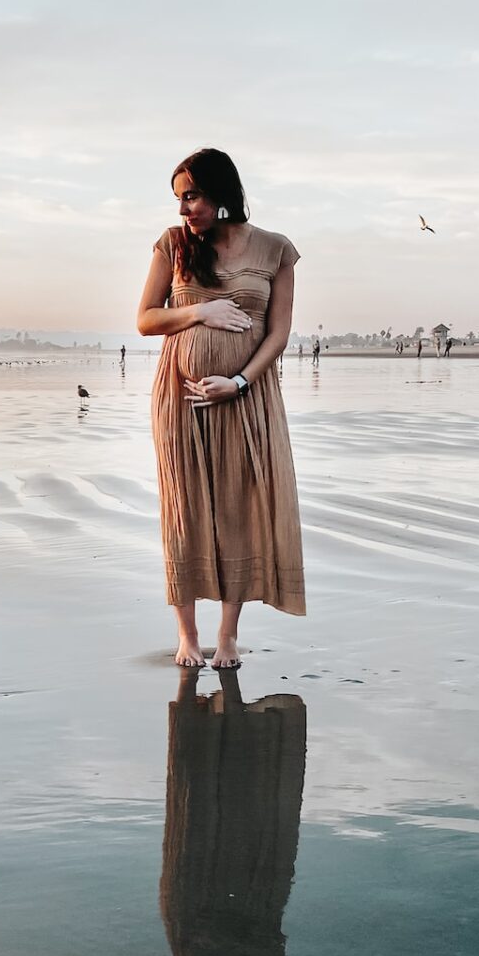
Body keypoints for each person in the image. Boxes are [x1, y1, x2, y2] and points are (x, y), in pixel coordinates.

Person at [137, 148, 305, 669]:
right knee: (185, 513)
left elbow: (278, 333)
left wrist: (237, 381)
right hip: (180, 401)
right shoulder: (174, 245)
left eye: (192, 195)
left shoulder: (275, 250)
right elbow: (145, 319)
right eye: (179, 198)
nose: (184, 208)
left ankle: (227, 635)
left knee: (239, 508)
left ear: (221, 193)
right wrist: (198, 311)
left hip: (247, 400)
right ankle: (187, 635)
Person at [152, 667, 304, 956]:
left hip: (243, 928)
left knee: (214, 845)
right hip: (232, 929)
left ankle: (230, 727)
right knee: (214, 844)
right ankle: (233, 725)